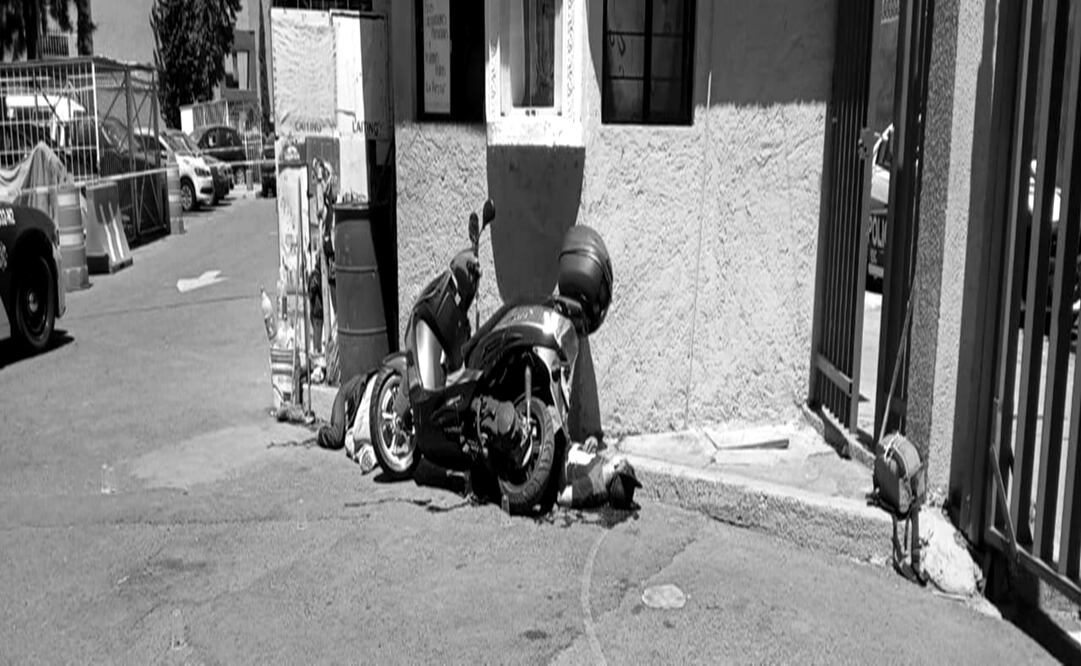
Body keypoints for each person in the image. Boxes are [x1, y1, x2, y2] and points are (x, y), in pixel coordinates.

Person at [557, 436, 642, 510]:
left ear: (616, 468)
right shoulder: (604, 467)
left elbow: (562, 497)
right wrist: (592, 439)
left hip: (556, 453)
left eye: (624, 463)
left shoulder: (593, 486)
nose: (624, 459)